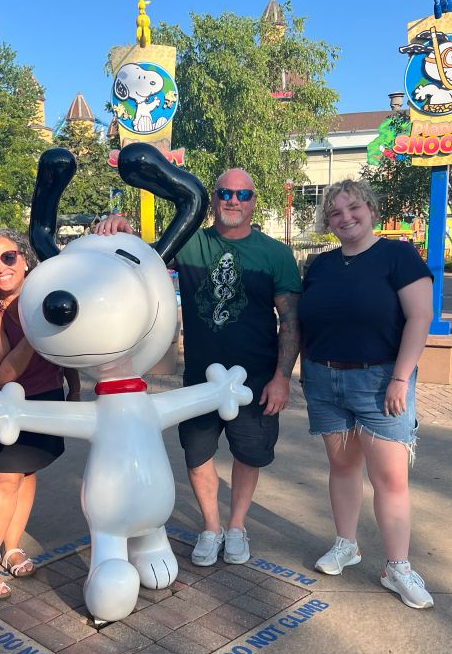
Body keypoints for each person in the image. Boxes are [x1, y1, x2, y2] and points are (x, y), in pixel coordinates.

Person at [95, 168, 302, 566]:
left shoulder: (275, 254)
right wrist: (122, 228)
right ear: (214, 199)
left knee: (249, 455)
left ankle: (237, 526)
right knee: (197, 455)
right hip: (199, 379)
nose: (233, 201)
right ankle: (211, 527)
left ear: (254, 201)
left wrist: (281, 378)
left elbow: (291, 320)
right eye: (225, 193)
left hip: (256, 378)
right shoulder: (190, 244)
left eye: (243, 195)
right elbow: (141, 256)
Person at [299, 179, 434, 609]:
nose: (345, 218)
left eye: (353, 208)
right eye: (335, 213)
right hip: (325, 379)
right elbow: (308, 322)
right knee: (341, 466)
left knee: (390, 478)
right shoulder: (319, 265)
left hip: (380, 383)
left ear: (371, 209)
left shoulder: (397, 255)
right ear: (327, 222)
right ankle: (346, 544)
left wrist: (400, 378)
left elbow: (420, 318)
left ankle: (398, 567)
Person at [0, 227, 81, 599]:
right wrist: (35, 330)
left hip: (42, 395)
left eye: (9, 257)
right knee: (6, 480)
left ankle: (11, 547)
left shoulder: (42, 294)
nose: (1, 267)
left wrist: (73, 387)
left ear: (25, 259)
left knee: (28, 473)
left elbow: (66, 345)